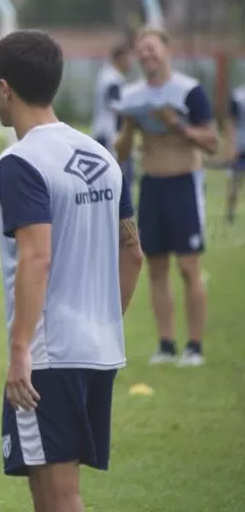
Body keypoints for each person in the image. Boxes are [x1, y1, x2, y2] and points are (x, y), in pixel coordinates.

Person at [0, 29, 144, 512]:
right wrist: (103, 319)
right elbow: (133, 253)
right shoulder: (103, 157)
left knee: (60, 499)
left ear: (4, 88)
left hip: (48, 357)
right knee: (49, 492)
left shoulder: (21, 161)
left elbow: (37, 256)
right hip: (98, 348)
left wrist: (19, 353)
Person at [114, 28, 219, 367]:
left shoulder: (189, 91)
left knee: (189, 268)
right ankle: (166, 344)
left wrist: (176, 124)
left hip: (184, 185)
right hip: (152, 188)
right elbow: (122, 152)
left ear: (166, 49)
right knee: (155, 268)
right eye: (141, 51)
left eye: (152, 48)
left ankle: (195, 347)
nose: (146, 55)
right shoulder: (131, 95)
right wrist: (130, 125)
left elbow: (213, 143)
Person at [91, 42, 134, 188]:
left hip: (102, 130)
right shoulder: (112, 79)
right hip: (110, 134)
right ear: (120, 58)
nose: (130, 62)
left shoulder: (105, 74)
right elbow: (115, 105)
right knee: (118, 178)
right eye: (128, 58)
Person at [224, 84, 245, 224]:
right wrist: (231, 145)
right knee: (235, 181)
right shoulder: (238, 95)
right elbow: (230, 122)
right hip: (240, 145)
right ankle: (230, 215)